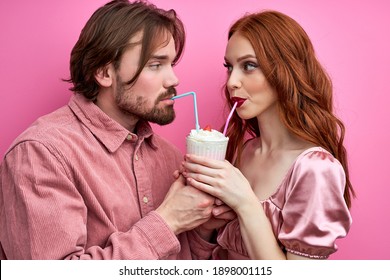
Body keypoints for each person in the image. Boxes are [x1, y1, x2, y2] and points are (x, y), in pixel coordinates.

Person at [0, 0, 232, 260]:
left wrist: (202, 230)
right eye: (155, 65)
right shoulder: (41, 154)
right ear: (103, 72)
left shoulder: (170, 157)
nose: (173, 80)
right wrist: (168, 222)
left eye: (172, 65)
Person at [182, 10, 355, 260]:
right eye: (229, 67)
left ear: (286, 70)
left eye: (249, 66)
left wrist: (244, 201)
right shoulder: (243, 152)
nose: (232, 81)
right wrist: (206, 223)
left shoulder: (316, 169)